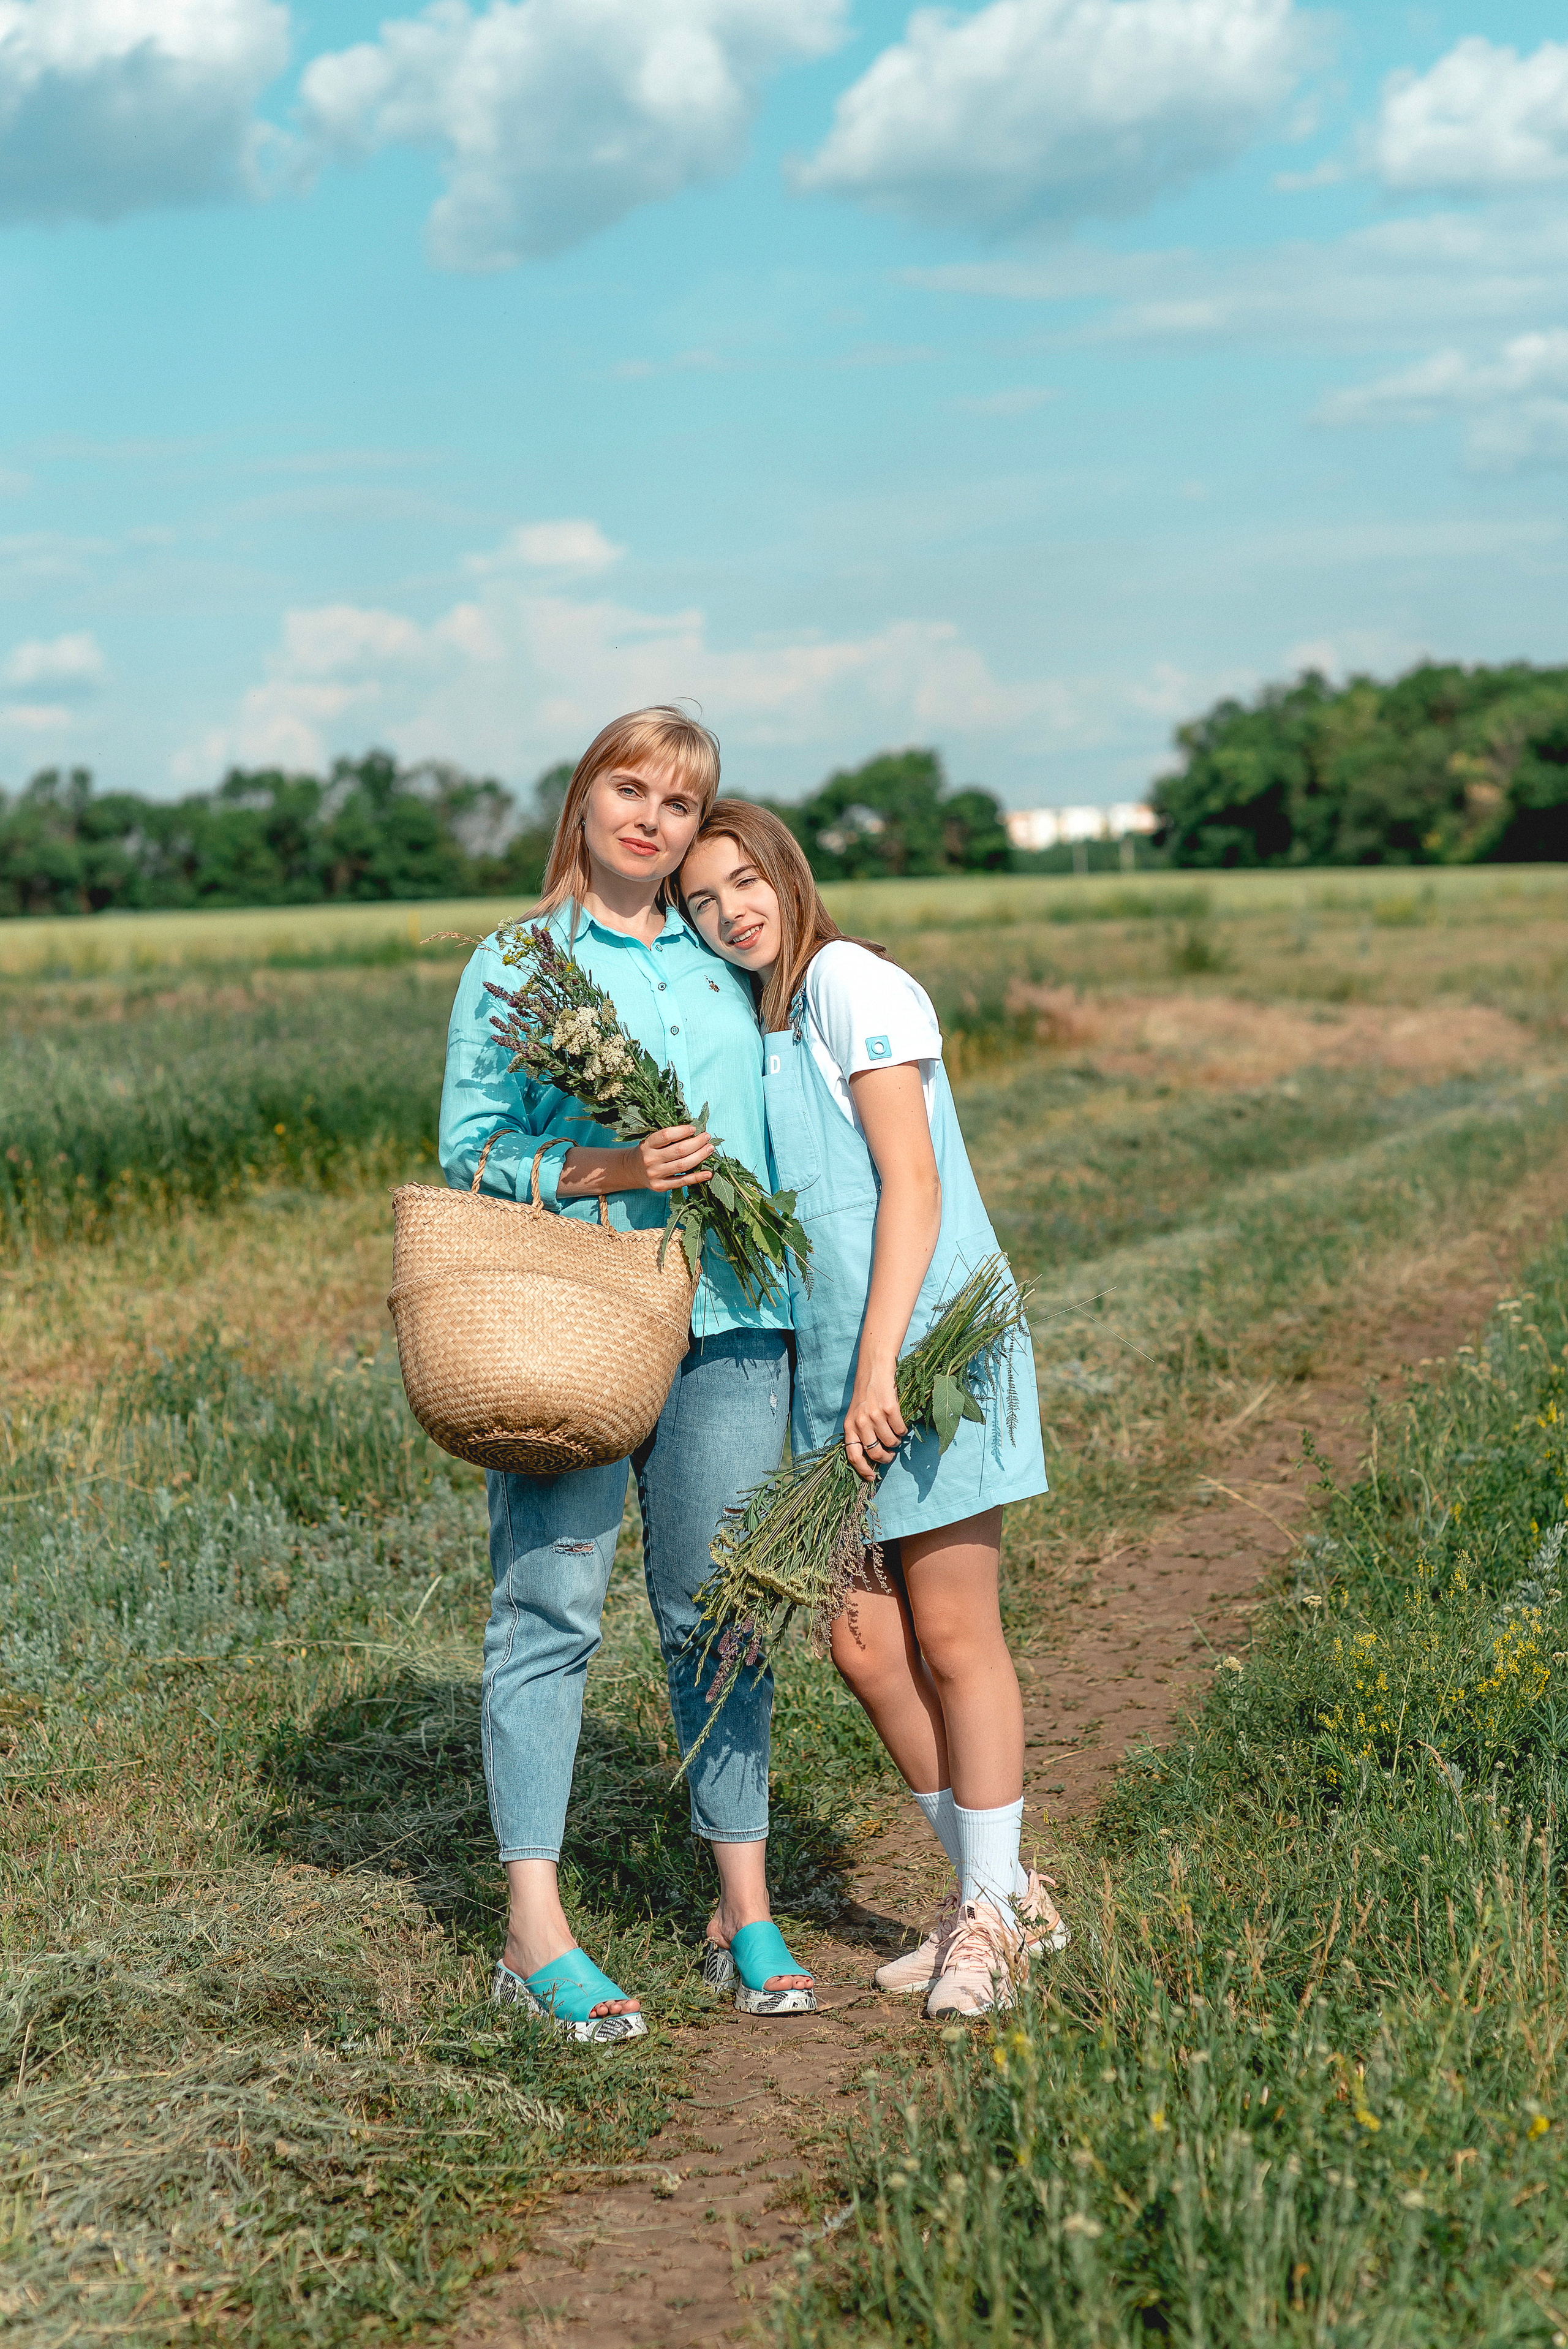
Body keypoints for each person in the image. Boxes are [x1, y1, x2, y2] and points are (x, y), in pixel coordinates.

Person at [439, 712, 813, 2044]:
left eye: (681, 799)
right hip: (574, 1319)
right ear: (585, 797)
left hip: (731, 1319)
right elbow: (468, 1153)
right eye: (629, 788)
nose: (653, 818)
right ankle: (531, 1931)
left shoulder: (723, 959)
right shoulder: (519, 962)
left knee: (722, 1612)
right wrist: (607, 1170)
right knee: (550, 1607)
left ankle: (741, 1910)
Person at [679, 802, 1064, 2019]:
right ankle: (995, 1894)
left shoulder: (850, 983)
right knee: (858, 1641)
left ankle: (990, 1918)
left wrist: (882, 1369)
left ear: (786, 875)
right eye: (702, 900)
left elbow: (910, 1181)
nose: (731, 910)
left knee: (952, 1636)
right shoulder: (763, 1020)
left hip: (923, 1357)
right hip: (838, 1372)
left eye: (745, 881)